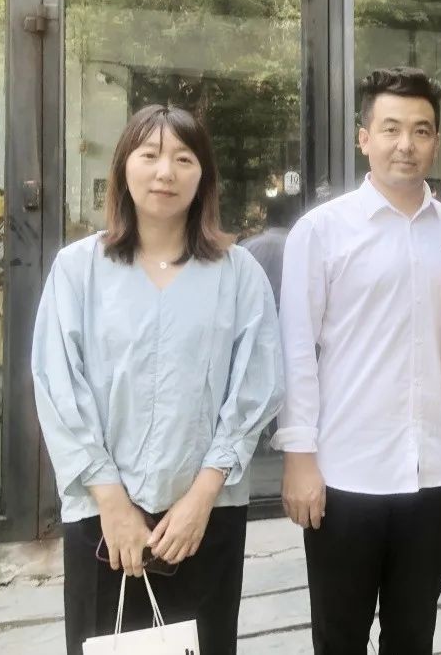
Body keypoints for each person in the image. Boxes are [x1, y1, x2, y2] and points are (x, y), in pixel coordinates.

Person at [32, 104, 284, 655]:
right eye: (150, 155)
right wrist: (112, 502)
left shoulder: (238, 273)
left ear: (204, 176)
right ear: (125, 166)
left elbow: (256, 387)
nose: (165, 172)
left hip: (205, 514)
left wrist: (201, 497)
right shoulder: (78, 269)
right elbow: (58, 386)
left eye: (183, 159)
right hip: (102, 516)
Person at [274, 67, 441, 655]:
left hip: (436, 472)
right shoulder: (321, 231)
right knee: (340, 636)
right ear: (364, 138)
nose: (405, 144)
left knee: (414, 634)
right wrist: (300, 458)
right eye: (390, 129)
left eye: (421, 130)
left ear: (436, 141)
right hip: (344, 475)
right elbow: (296, 350)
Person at [240, 194, 302, 310]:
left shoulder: (247, 247)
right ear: (292, 217)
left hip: (256, 311)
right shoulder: (301, 247)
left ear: (267, 218)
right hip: (291, 310)